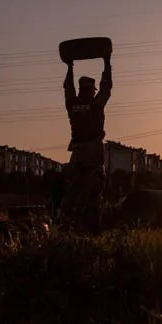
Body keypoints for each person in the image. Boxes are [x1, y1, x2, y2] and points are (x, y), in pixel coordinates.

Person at [62, 54, 112, 229]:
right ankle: (92, 227)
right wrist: (107, 62)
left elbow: (67, 86)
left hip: (77, 150)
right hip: (93, 149)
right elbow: (107, 88)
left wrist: (69, 67)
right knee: (94, 190)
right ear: (91, 90)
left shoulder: (72, 104)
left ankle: (69, 224)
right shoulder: (96, 104)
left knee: (74, 188)